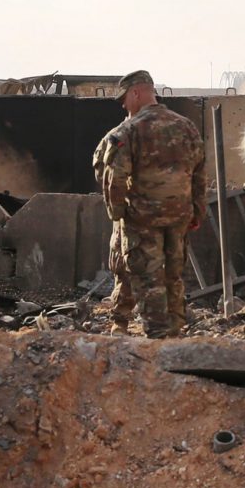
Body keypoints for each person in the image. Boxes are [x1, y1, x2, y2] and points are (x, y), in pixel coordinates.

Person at [95, 70, 204, 337]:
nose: (123, 105)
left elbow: (115, 177)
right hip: (179, 215)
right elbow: (200, 172)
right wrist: (197, 210)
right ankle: (176, 329)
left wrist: (118, 213)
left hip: (142, 218)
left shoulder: (128, 130)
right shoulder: (186, 126)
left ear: (136, 93)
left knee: (148, 277)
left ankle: (157, 335)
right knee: (174, 275)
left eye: (124, 98)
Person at [93, 114, 136, 331]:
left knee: (125, 265)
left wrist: (117, 210)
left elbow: (103, 173)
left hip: (131, 213)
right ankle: (164, 327)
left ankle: (121, 323)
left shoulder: (120, 133)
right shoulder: (178, 128)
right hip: (156, 213)